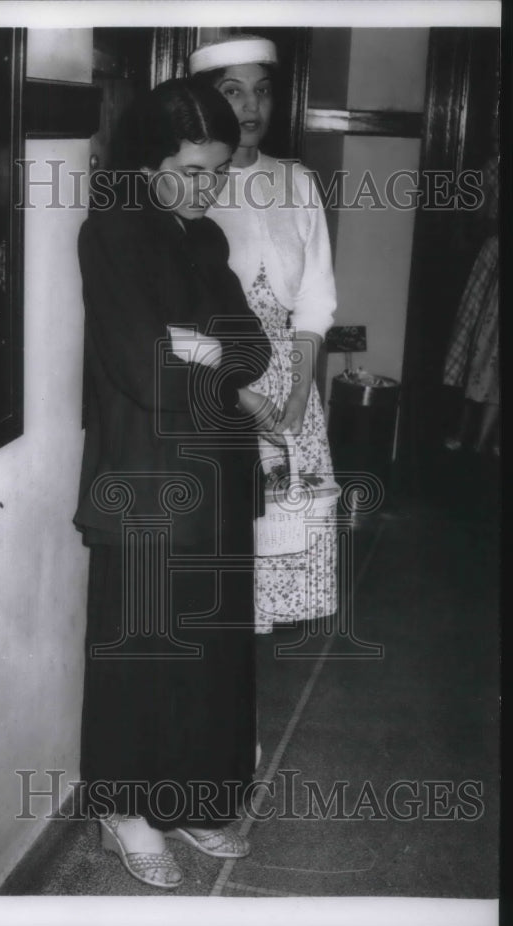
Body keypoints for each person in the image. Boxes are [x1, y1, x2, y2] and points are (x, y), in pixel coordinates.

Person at [75, 78, 273, 889]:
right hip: (147, 481)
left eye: (217, 171)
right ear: (148, 159)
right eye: (192, 169)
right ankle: (127, 810)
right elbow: (140, 369)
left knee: (210, 654)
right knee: (146, 651)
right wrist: (199, 357)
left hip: (218, 474)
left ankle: (190, 799)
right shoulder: (111, 235)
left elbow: (254, 348)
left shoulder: (206, 240)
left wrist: (201, 351)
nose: (207, 187)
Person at [190, 35, 339, 635]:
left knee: (281, 535)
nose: (251, 107)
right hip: (217, 384)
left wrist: (299, 400)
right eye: (233, 91)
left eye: (262, 90)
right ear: (208, 98)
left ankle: (242, 706)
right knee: (222, 557)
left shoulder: (298, 183)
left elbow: (314, 303)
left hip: (287, 389)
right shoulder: (190, 182)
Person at [442, 148, 499, 457]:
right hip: (493, 262)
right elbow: (479, 219)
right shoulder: (495, 165)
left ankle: (490, 438)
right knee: (479, 343)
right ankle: (466, 433)